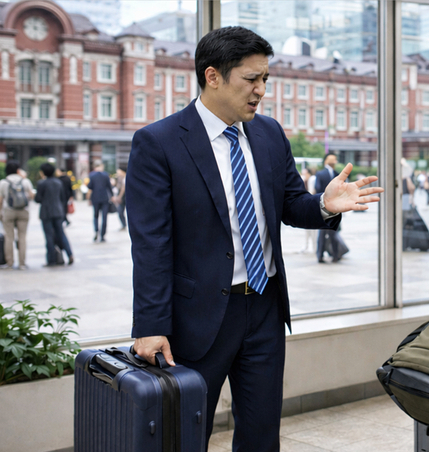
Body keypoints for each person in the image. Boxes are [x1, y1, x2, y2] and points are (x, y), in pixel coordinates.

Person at [126, 26, 382, 452]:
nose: (261, 90)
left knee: (262, 434)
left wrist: (325, 204)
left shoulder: (268, 134)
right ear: (213, 76)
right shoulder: (159, 143)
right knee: (184, 436)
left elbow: (290, 206)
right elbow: (151, 243)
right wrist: (150, 326)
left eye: (265, 79)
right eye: (251, 79)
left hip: (263, 307)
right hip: (197, 317)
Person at [34, 163, 74, 266]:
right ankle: (69, 254)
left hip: (46, 212)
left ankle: (51, 260)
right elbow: (62, 197)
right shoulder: (58, 182)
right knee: (61, 233)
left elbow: (37, 199)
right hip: (58, 211)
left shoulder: (41, 183)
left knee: (49, 236)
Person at [0, 161, 35, 269]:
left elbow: (0, 200)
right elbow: (31, 196)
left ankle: (10, 263)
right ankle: (22, 263)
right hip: (23, 211)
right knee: (22, 237)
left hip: (8, 211)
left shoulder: (3, 182)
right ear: (18, 170)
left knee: (9, 237)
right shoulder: (25, 181)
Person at [314, 154, 345, 263]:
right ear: (326, 160)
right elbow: (317, 189)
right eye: (331, 158)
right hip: (324, 207)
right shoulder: (321, 173)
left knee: (333, 233)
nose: (333, 160)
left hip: (336, 208)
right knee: (323, 233)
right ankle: (320, 255)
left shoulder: (338, 174)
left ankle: (335, 255)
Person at [86, 160, 112, 242]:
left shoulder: (92, 175)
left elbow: (89, 186)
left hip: (95, 198)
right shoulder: (105, 175)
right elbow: (109, 187)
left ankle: (96, 231)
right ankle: (103, 235)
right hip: (104, 198)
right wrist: (112, 196)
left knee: (96, 216)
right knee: (104, 217)